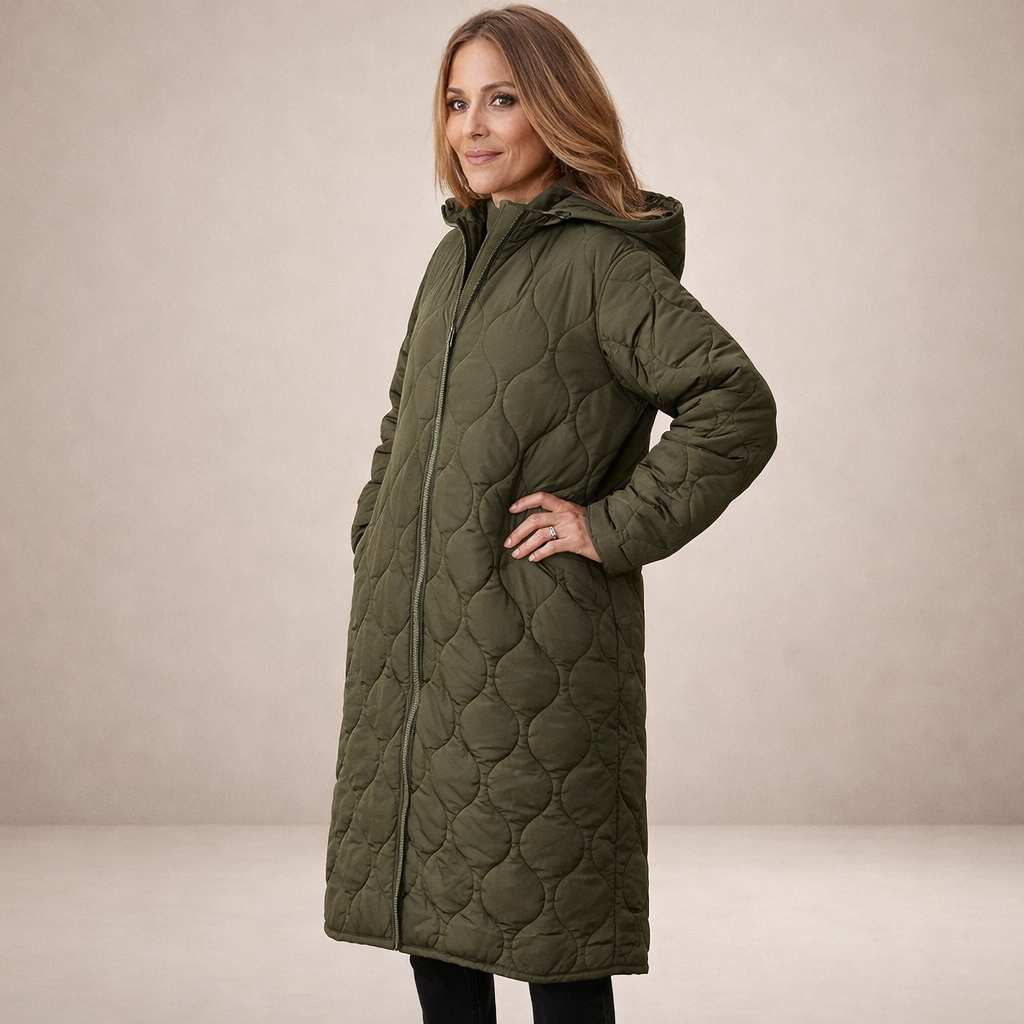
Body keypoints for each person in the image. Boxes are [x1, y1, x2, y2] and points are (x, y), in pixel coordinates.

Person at [325, 6, 777, 1022]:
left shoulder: (603, 264)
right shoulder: (452, 258)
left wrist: (605, 526)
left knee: (550, 934)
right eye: (456, 102)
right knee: (436, 925)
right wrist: (377, 528)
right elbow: (405, 416)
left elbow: (734, 405)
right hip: (421, 645)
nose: (472, 127)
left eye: (502, 99)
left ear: (555, 109)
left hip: (537, 648)